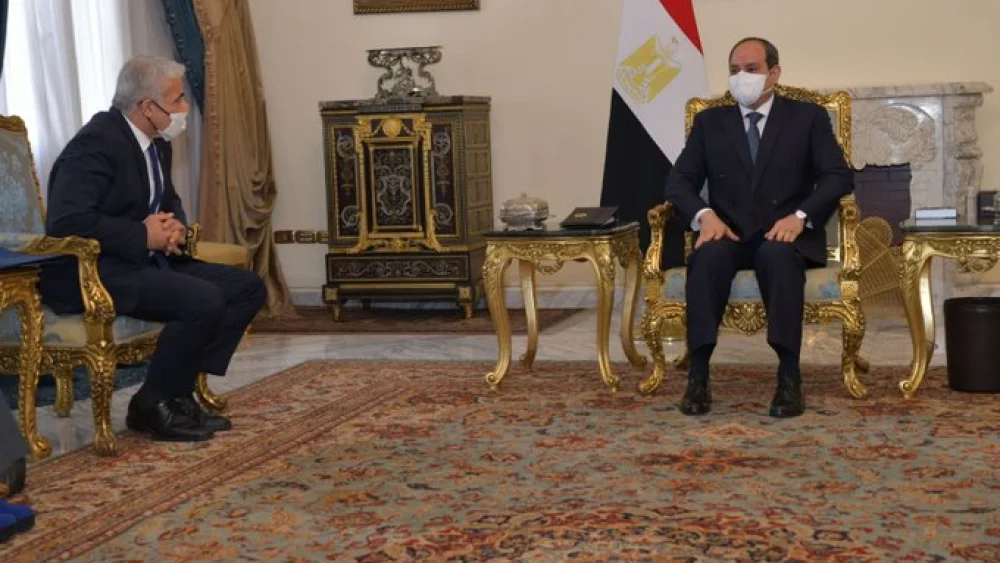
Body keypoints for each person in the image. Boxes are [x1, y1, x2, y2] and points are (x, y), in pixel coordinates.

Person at [42, 55, 266, 441]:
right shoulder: (96, 144)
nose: (183, 109)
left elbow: (167, 199)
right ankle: (157, 403)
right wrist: (141, 234)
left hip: (143, 262)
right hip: (94, 271)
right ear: (147, 107)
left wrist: (173, 226)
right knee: (202, 299)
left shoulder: (155, 142)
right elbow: (67, 222)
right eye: (177, 100)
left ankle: (173, 393)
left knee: (248, 288)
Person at [663, 37, 853, 418]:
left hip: (782, 233)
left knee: (778, 257)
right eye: (734, 71)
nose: (741, 78)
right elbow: (678, 182)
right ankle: (698, 376)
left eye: (751, 69)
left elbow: (838, 177)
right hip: (728, 232)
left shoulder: (807, 117)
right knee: (706, 257)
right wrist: (704, 216)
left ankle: (789, 376)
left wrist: (800, 218)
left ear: (774, 73)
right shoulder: (710, 122)